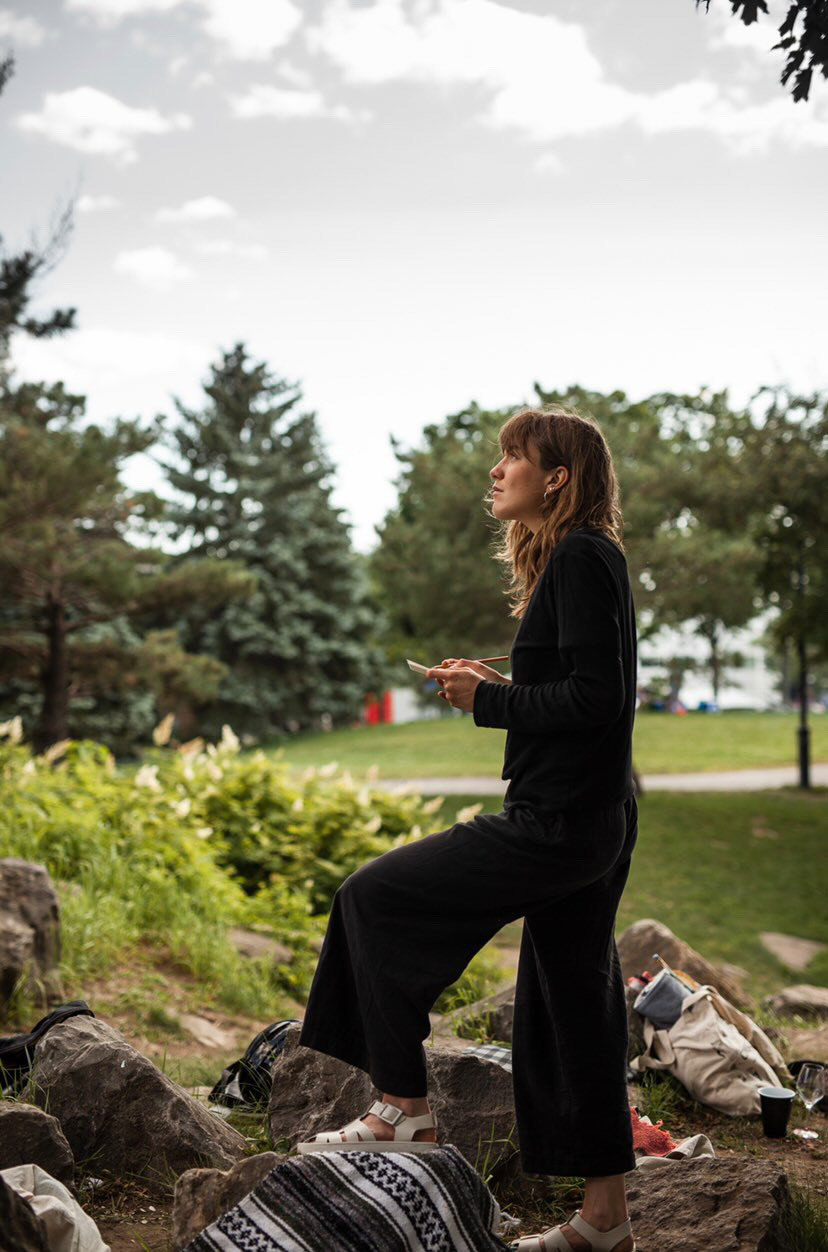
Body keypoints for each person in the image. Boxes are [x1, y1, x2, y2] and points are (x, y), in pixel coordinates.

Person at [298, 405, 639, 1252]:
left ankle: (403, 1109)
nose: (496, 470)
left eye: (512, 457)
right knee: (575, 1006)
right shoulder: (585, 556)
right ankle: (605, 1221)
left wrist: (487, 699)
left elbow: (600, 698)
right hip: (591, 815)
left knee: (373, 898)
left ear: (556, 478)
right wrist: (499, 687)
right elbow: (580, 691)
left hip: (559, 822)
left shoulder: (582, 555)